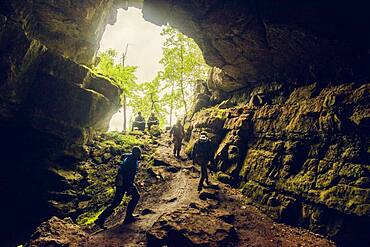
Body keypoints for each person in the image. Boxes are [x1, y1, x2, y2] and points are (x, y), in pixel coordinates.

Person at [95, 146, 142, 229]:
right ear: (136, 153)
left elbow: (124, 158)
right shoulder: (131, 161)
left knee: (116, 202)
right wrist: (129, 187)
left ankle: (101, 219)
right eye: (139, 153)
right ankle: (128, 217)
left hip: (120, 182)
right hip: (125, 182)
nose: (140, 155)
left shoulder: (130, 157)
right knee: (135, 196)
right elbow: (129, 175)